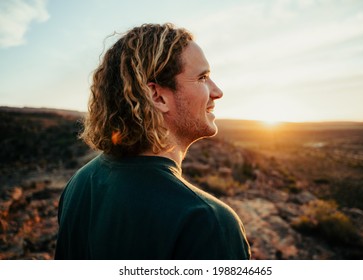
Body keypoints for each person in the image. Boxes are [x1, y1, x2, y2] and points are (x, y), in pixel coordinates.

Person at [55, 23, 251, 260]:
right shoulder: (206, 222)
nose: (217, 91)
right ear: (157, 96)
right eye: (203, 78)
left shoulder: (82, 182)